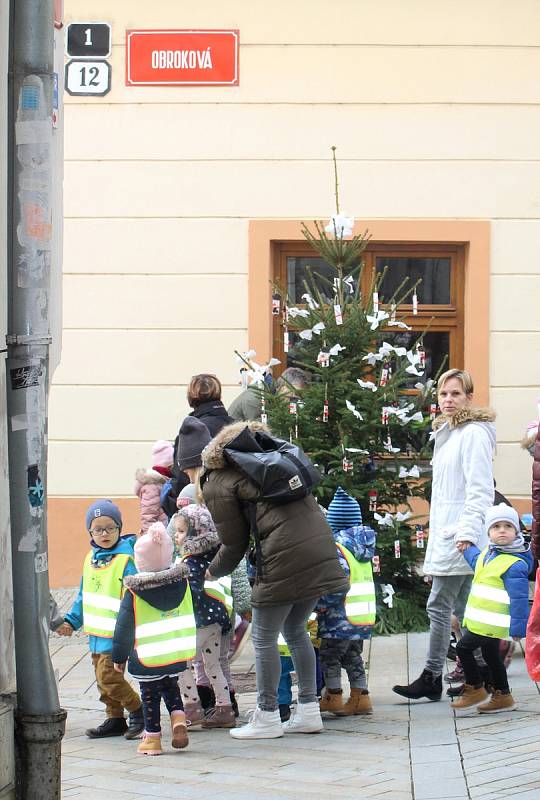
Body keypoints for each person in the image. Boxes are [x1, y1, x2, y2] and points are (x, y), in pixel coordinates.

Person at [201, 420, 349, 739]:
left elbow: (234, 543)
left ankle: (267, 715)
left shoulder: (218, 479)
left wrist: (210, 572)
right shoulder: (274, 461)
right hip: (321, 548)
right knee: (296, 631)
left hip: (283, 556)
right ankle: (308, 711)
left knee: (264, 637)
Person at [393, 369, 496, 702]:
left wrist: (466, 532)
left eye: (456, 393)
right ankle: (484, 677)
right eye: (443, 394)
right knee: (467, 608)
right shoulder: (449, 433)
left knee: (439, 605)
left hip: (461, 536)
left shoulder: (474, 433)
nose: (448, 400)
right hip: (452, 532)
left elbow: (480, 490)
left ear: (469, 396)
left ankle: (432, 676)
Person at [58, 500, 144, 739]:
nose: (104, 534)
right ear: (90, 532)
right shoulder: (91, 559)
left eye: (110, 528)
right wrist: (71, 621)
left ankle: (139, 710)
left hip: (117, 634)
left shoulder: (126, 561)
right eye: (98, 529)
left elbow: (135, 596)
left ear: (119, 528)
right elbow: (83, 596)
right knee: (100, 679)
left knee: (109, 676)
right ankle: (114, 717)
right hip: (96, 633)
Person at [112, 522, 194, 755]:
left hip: (146, 655)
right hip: (176, 652)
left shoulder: (135, 592)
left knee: (149, 697)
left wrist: (119, 657)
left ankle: (153, 739)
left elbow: (124, 627)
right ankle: (178, 717)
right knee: (171, 686)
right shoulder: (182, 584)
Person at [451, 504, 532, 712]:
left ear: (517, 531)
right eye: (496, 527)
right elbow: (477, 561)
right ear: (489, 532)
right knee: (491, 656)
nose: (502, 530)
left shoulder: (515, 563)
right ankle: (503, 695)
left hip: (492, 623)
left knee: (463, 648)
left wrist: (517, 629)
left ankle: (475, 687)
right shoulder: (489, 553)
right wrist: (467, 548)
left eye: (508, 526)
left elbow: (520, 599)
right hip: (485, 622)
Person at [174, 504, 236, 729]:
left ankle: (192, 707)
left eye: (181, 531)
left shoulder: (189, 563)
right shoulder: (215, 557)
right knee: (212, 664)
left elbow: (190, 594)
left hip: (199, 622)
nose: (176, 536)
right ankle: (224, 709)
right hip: (217, 621)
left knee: (180, 663)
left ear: (195, 534)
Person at [317, 488, 376, 716]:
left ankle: (333, 696)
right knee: (352, 656)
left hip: (338, 617)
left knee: (330, 656)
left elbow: (335, 584)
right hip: (361, 616)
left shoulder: (338, 549)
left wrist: (320, 604)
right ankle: (361, 697)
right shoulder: (363, 548)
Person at [228, 367, 311, 422]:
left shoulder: (273, 396)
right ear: (283, 386)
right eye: (292, 396)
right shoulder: (256, 398)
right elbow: (259, 431)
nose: (294, 401)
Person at [135, 440, 173, 533]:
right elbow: (148, 515)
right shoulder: (152, 485)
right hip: (158, 536)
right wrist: (151, 537)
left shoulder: (163, 481)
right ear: (168, 466)